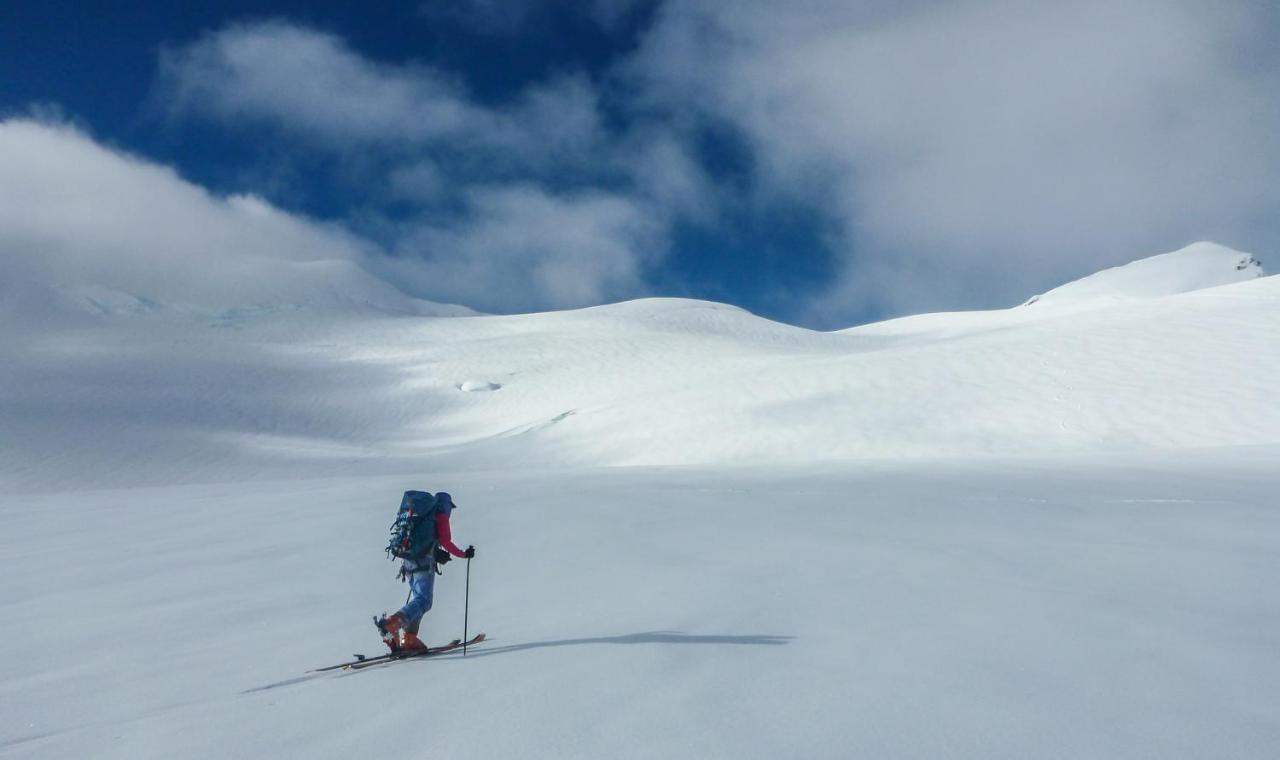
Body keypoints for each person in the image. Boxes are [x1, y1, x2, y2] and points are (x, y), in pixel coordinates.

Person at [376, 491, 475, 652]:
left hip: (407, 561)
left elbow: (433, 541)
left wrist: (437, 552)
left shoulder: (420, 516)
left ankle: (409, 639)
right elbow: (446, 541)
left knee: (418, 600)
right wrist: (464, 554)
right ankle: (394, 623)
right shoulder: (440, 515)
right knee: (424, 601)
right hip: (423, 562)